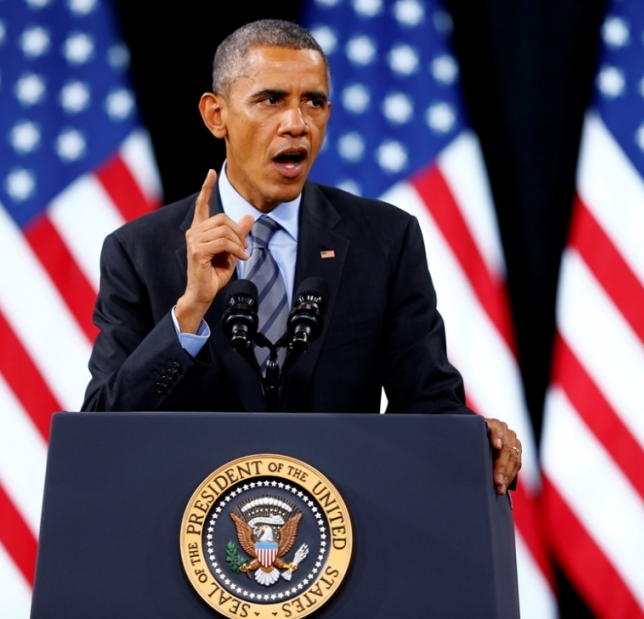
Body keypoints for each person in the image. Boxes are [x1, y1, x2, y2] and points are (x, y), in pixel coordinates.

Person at [82, 20, 522, 494]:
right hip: (192, 535)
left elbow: (428, 401)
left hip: (346, 531)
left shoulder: (385, 239)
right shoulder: (139, 251)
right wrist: (188, 315)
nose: (296, 123)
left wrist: (473, 438)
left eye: (313, 102)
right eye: (271, 100)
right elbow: (103, 430)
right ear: (216, 115)